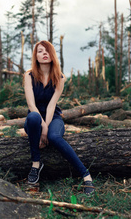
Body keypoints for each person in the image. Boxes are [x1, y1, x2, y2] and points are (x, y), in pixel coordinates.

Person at [24, 40, 95, 195]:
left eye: (47, 51)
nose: (44, 54)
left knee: (54, 137)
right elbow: (31, 105)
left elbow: (51, 106)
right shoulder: (29, 76)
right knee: (34, 117)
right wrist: (42, 127)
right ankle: (36, 165)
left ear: (52, 55)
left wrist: (46, 129)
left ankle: (86, 175)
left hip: (53, 117)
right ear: (36, 56)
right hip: (34, 121)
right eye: (40, 51)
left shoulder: (60, 78)